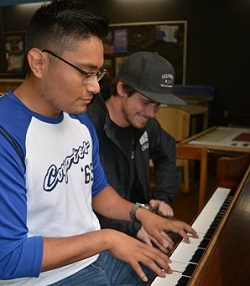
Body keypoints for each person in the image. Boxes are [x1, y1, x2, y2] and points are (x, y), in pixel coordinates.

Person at [0, 1, 198, 285]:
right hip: (45, 278)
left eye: (98, 74)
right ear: (38, 62)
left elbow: (98, 190)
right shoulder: (6, 135)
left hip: (95, 258)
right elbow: (7, 257)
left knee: (171, 271)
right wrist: (108, 238)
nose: (95, 86)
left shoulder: (80, 121)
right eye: (85, 72)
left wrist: (140, 213)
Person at [87, 51, 186, 243]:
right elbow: (89, 199)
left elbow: (166, 152)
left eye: (157, 105)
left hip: (137, 217)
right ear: (122, 88)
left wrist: (163, 197)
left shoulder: (147, 124)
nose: (151, 113)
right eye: (146, 102)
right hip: (102, 232)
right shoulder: (88, 127)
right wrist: (134, 229)